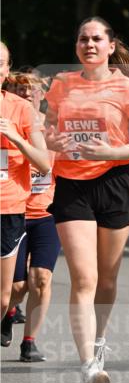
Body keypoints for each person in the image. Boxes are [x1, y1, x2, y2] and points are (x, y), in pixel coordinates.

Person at [44, 17, 129, 383]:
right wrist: (53, 141)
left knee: (106, 280)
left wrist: (111, 151)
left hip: (115, 183)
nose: (89, 44)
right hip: (73, 185)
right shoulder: (60, 84)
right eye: (82, 39)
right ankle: (88, 367)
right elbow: (46, 129)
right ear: (76, 47)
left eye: (96, 39)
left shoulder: (127, 87)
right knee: (84, 278)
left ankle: (99, 341)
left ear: (110, 46)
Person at [2, 70, 60, 362]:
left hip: (47, 214)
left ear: (44, 93)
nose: (27, 94)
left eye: (33, 90)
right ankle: (8, 311)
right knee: (16, 286)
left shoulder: (54, 129)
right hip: (16, 210)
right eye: (19, 89)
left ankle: (30, 341)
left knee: (41, 278)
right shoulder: (9, 122)